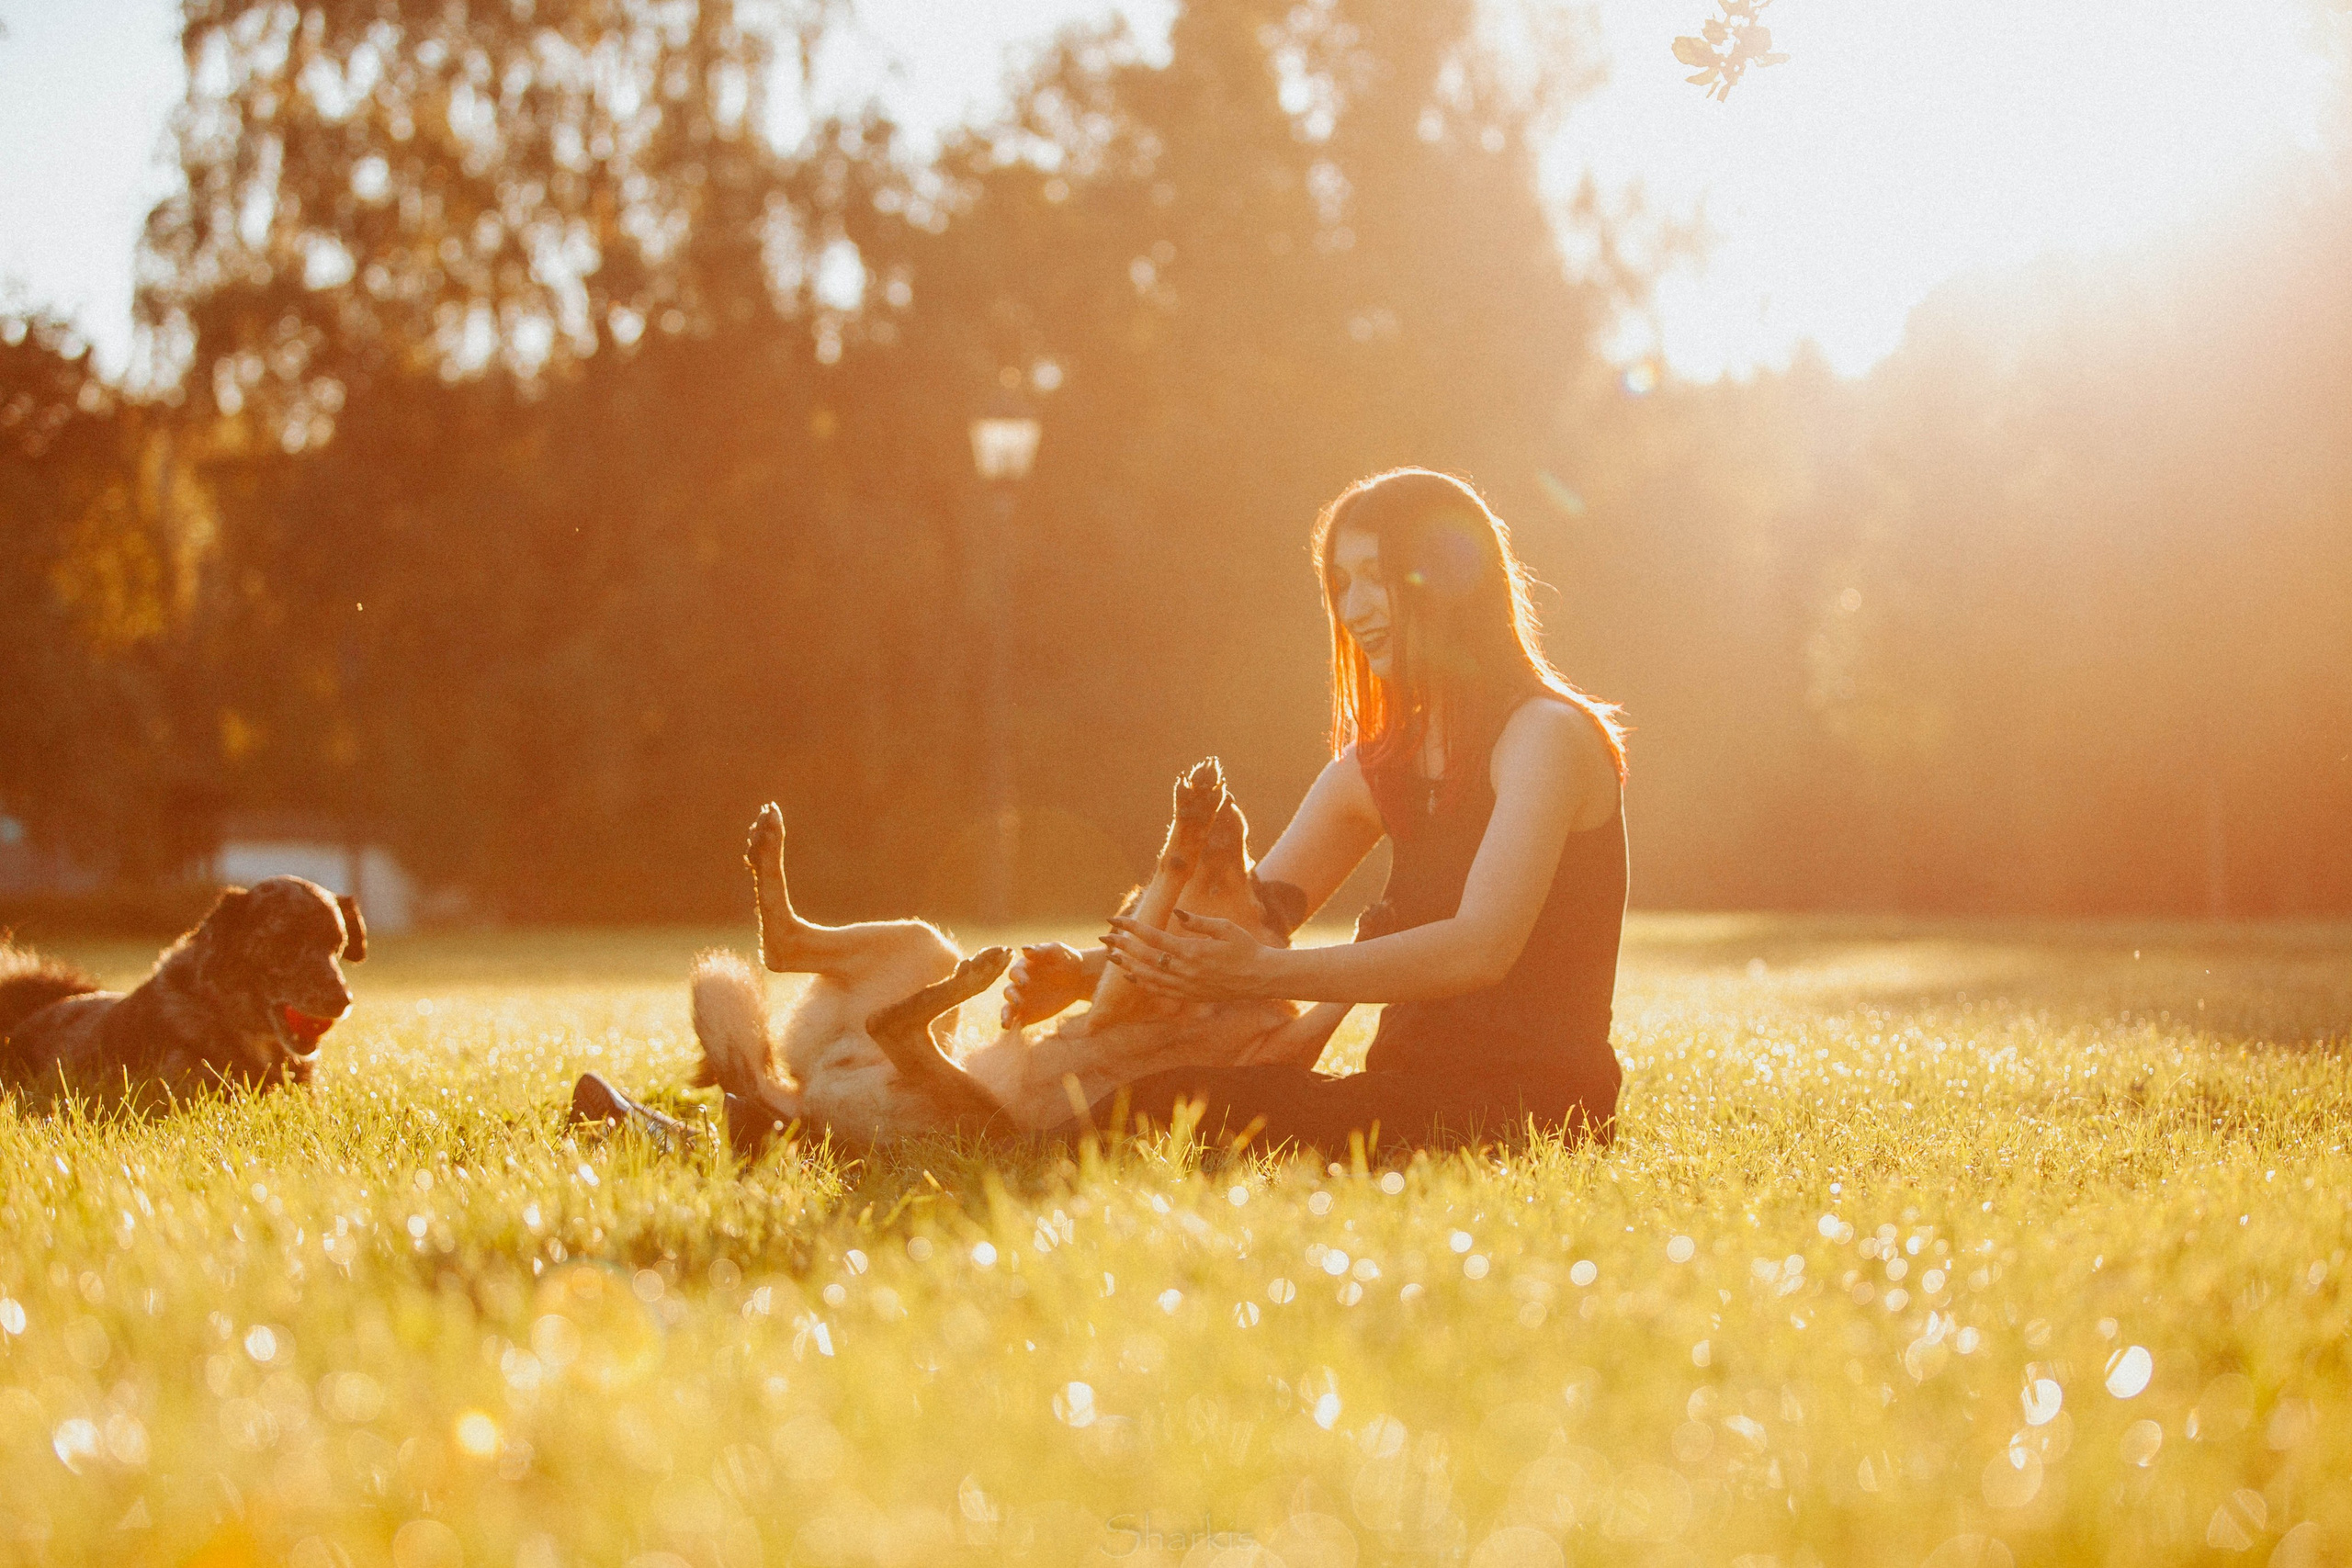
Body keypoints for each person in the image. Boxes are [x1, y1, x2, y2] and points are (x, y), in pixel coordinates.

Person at [1007, 467, 1628, 1156]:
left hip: (1533, 1108)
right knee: (1143, 1104)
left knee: (1149, 1112)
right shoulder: (1378, 766)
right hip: (1406, 1092)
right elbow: (1241, 926)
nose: (1354, 607)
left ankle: (997, 1154)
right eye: (1340, 584)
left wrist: (1262, 975)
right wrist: (1089, 973)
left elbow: (1480, 948)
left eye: (1376, 574)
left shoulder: (1545, 736)